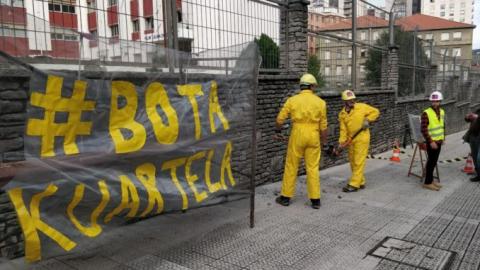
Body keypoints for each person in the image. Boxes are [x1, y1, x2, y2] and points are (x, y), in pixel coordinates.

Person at [274, 73, 328, 209]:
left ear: (301, 86)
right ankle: (315, 200)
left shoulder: (292, 100)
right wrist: (324, 142)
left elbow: (280, 119)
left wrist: (278, 131)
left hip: (297, 134)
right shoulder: (321, 103)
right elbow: (324, 127)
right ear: (312, 86)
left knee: (291, 165)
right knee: (312, 168)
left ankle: (285, 197)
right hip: (314, 134)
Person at [337, 90, 380, 192]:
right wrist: (341, 142)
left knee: (358, 161)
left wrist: (367, 120)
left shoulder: (361, 107)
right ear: (344, 101)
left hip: (362, 137)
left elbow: (376, 112)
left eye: (353, 99)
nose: (352, 101)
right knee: (352, 161)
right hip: (351, 139)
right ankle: (361, 182)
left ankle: (354, 184)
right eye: (349, 100)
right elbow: (343, 130)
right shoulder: (342, 114)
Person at [421, 91, 445, 191]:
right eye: (433, 101)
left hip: (438, 141)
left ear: (440, 101)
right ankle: (427, 183)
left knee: (434, 162)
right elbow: (423, 129)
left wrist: (443, 138)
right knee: (431, 162)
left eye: (437, 101)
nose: (435, 103)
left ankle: (430, 180)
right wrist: (431, 142)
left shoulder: (442, 112)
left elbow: (442, 125)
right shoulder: (426, 113)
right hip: (432, 142)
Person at [463, 109, 480, 182]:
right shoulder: (478, 110)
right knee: (475, 156)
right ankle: (478, 173)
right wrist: (467, 117)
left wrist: (477, 117)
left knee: (478, 157)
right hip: (473, 137)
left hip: (478, 137)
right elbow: (467, 120)